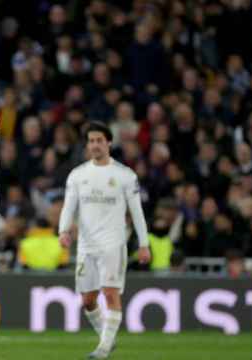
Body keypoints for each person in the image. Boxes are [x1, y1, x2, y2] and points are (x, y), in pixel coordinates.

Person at [58, 122, 151, 359]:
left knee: (110, 293)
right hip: (86, 245)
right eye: (91, 141)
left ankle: (102, 349)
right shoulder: (78, 175)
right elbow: (69, 207)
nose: (95, 145)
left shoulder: (124, 175)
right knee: (88, 300)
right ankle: (107, 339)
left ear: (109, 142)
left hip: (113, 243)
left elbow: (137, 211)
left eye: (99, 140)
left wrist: (143, 244)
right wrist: (63, 231)